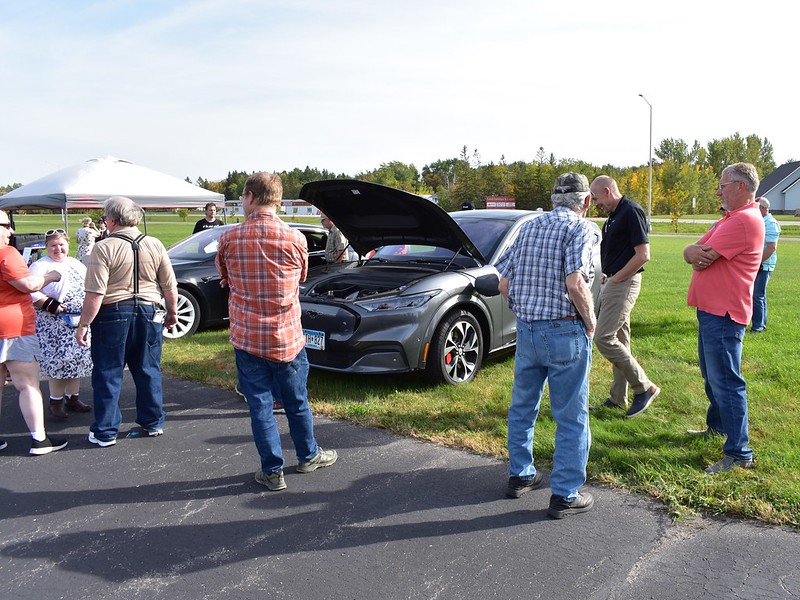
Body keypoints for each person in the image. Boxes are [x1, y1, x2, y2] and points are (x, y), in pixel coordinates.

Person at [217, 172, 337, 492]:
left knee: (260, 406)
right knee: (297, 402)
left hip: (247, 336)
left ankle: (272, 470)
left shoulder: (229, 238)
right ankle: (308, 455)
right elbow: (300, 278)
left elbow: (224, 276)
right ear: (278, 201)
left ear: (251, 197)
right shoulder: (296, 238)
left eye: (243, 197)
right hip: (287, 336)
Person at [495, 173, 598, 519]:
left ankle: (520, 474)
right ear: (585, 202)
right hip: (564, 332)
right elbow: (575, 283)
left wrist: (524, 311)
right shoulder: (581, 229)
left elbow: (503, 282)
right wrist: (591, 321)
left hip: (528, 331)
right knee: (571, 415)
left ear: (554, 199)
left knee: (523, 406)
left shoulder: (528, 227)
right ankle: (566, 493)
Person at [75, 196, 178, 447]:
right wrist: (173, 313)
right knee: (148, 368)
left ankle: (106, 430)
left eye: (105, 217)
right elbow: (169, 285)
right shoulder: (154, 244)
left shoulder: (104, 246)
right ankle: (153, 421)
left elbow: (96, 292)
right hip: (149, 310)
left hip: (113, 312)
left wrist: (83, 324)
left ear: (112, 219)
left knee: (108, 371)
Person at [683, 163, 764, 474]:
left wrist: (693, 253)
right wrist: (690, 252)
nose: (718, 191)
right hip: (713, 311)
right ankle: (717, 428)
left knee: (726, 383)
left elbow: (701, 258)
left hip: (724, 314)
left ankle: (739, 453)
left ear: (741, 187)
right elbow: (692, 253)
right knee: (712, 378)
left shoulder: (742, 220)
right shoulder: (731, 218)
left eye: (723, 185)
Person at [589, 176, 660, 417]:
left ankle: (644, 387)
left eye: (596, 197)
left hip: (624, 283)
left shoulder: (631, 211)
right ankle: (618, 398)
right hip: (613, 281)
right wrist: (607, 274)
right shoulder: (613, 215)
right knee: (620, 338)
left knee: (603, 337)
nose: (595, 203)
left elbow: (643, 254)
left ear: (608, 191)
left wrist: (617, 278)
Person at [0, 210, 68, 455]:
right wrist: (50, 276)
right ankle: (39, 440)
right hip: (13, 325)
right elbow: (28, 285)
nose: (11, 231)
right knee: (27, 384)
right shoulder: (7, 253)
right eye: (7, 225)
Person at [29, 229, 93, 419]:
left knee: (76, 360)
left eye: (61, 244)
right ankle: (55, 401)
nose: (58, 249)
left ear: (68, 245)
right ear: (47, 247)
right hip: (53, 323)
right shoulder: (39, 266)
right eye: (53, 245)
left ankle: (73, 398)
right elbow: (31, 291)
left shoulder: (75, 263)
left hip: (77, 322)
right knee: (59, 362)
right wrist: (50, 304)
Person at [751, 197, 781, 332]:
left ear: (763, 208)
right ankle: (760, 323)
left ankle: (758, 327)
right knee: (757, 295)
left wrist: (756, 263)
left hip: (764, 265)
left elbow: (771, 248)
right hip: (758, 264)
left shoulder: (770, 224)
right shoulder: (761, 221)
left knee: (758, 295)